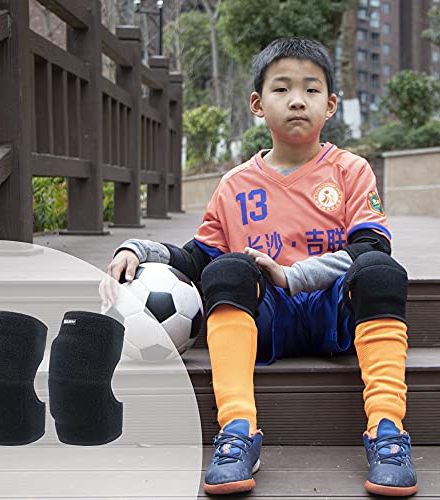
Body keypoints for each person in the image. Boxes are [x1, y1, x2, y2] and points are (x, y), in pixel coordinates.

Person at [103, 37, 418, 497]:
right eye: (282, 88)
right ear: (257, 103)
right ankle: (236, 432)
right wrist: (136, 249)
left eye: (312, 90)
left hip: (337, 314)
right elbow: (197, 256)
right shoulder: (235, 185)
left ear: (330, 105)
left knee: (380, 269)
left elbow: (371, 244)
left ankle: (387, 432)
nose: (297, 100)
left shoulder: (351, 170)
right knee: (226, 269)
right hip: (269, 319)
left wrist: (293, 275)